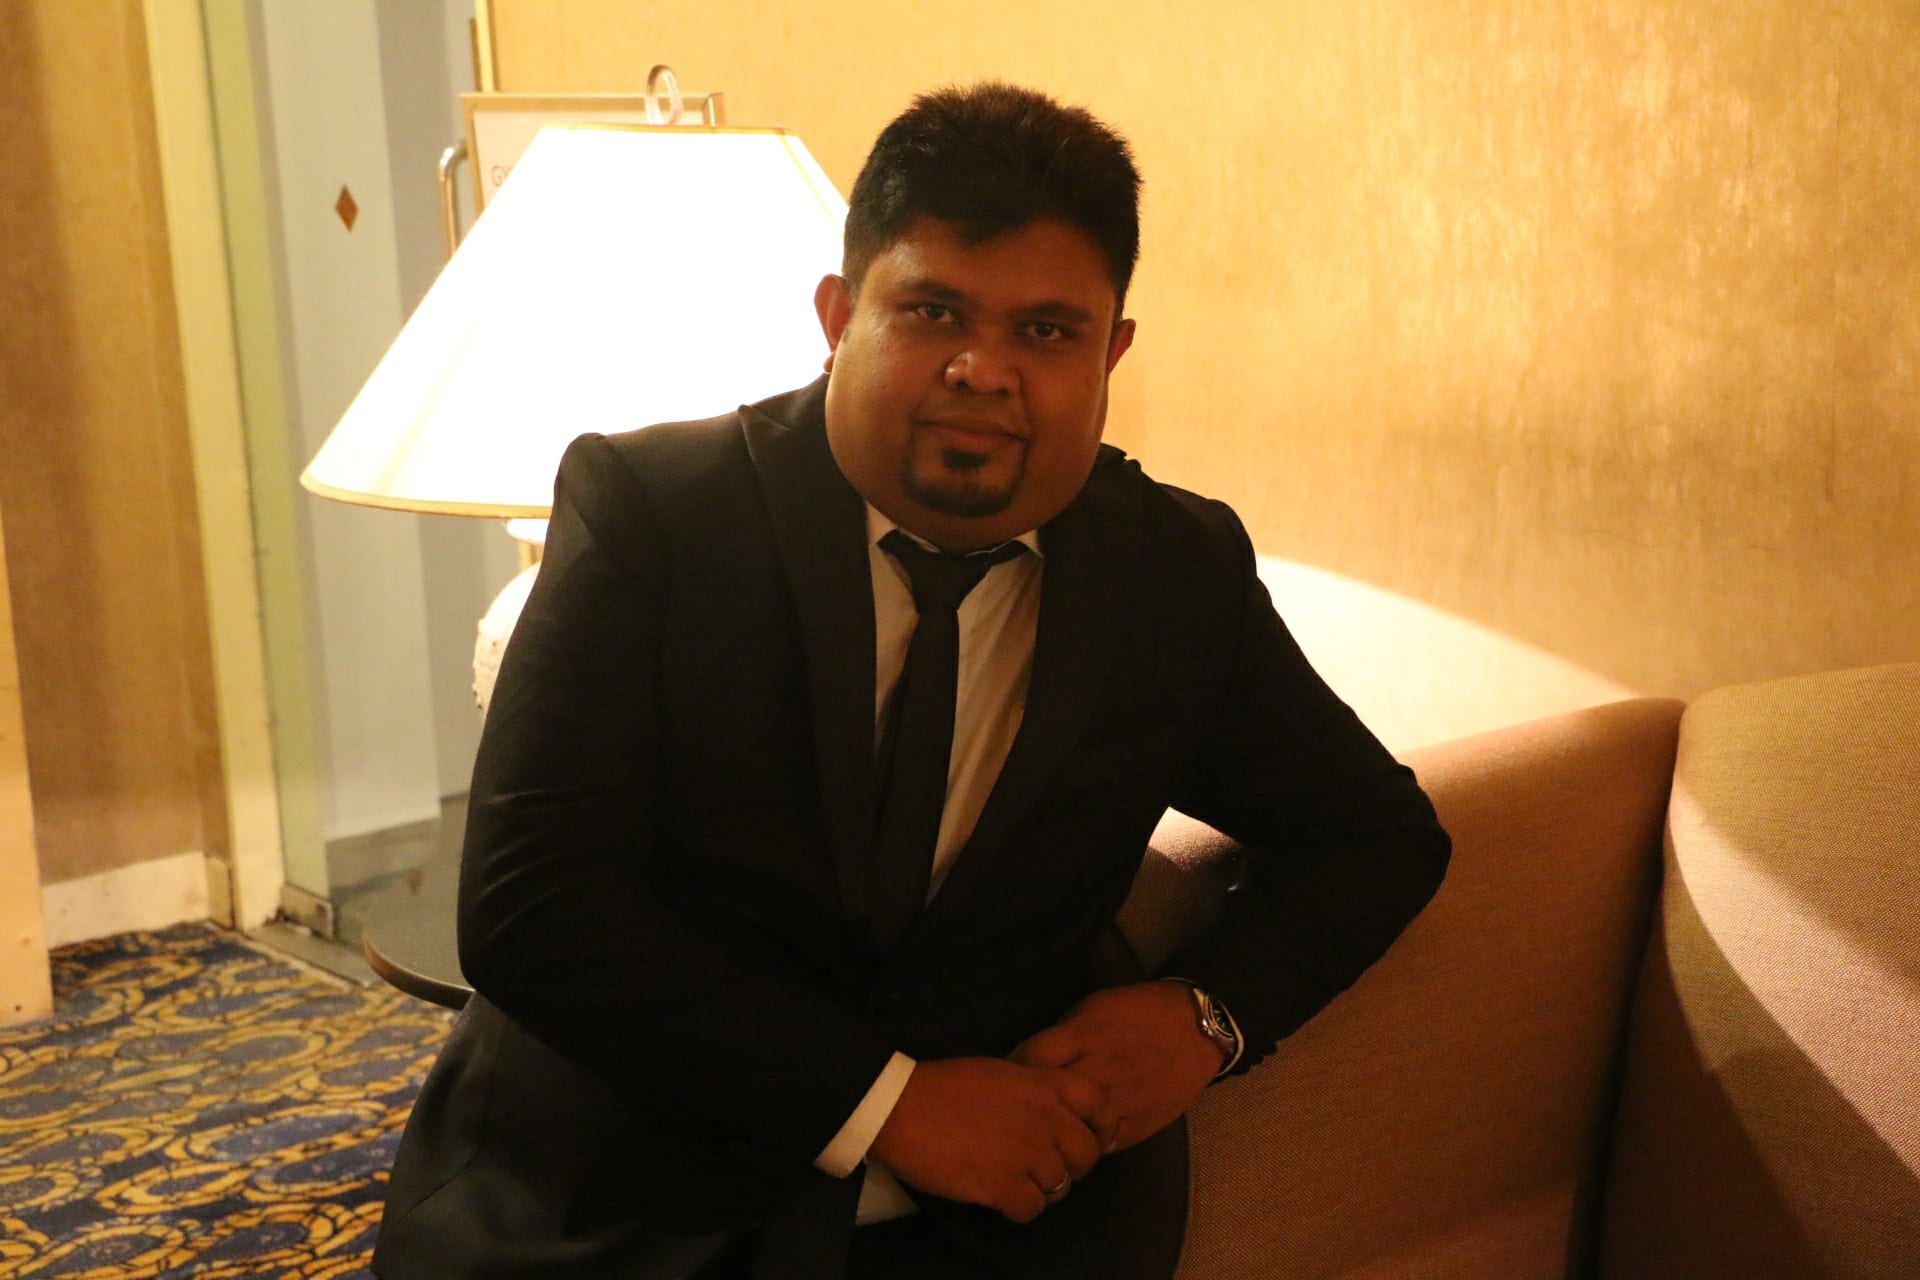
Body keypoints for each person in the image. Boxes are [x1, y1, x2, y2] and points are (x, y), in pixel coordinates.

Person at [372, 82, 1450, 1280]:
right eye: (935, 311)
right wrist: (886, 1102)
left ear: (1112, 352)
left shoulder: (1170, 570)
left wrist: (1203, 1017)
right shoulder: (657, 516)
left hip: (1006, 1221)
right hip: (626, 1200)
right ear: (840, 315)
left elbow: (1377, 833)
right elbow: (530, 906)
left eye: (1049, 331)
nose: (984, 371)